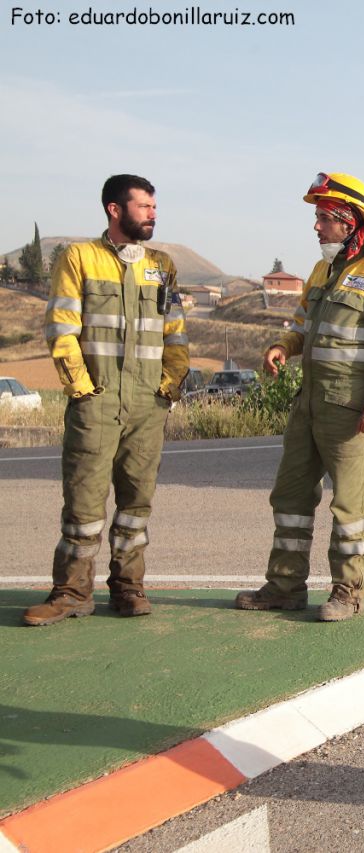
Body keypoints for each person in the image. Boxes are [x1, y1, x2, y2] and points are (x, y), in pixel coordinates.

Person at [234, 173, 364, 621]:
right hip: (308, 406)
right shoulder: (322, 272)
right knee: (290, 497)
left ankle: (348, 592)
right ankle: (284, 586)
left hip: (351, 412)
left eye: (324, 218)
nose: (316, 227)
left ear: (350, 222)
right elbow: (300, 327)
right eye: (317, 218)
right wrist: (283, 347)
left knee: (350, 506)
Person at [24, 175, 189, 627]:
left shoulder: (162, 265)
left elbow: (175, 332)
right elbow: (62, 328)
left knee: (137, 502)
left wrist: (169, 385)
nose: (153, 214)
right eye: (144, 206)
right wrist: (81, 388)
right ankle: (72, 592)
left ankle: (128, 587)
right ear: (115, 210)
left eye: (154, 206)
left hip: (147, 404)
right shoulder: (80, 258)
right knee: (83, 504)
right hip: (96, 402)